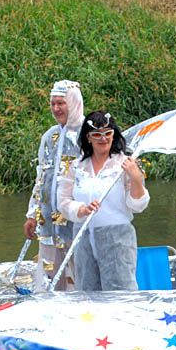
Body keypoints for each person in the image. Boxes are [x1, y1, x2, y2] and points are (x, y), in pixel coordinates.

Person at [58, 111, 148, 291]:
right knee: (86, 292)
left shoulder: (125, 164)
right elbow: (63, 201)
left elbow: (137, 205)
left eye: (108, 133)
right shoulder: (77, 166)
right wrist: (81, 210)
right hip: (83, 237)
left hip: (117, 239)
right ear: (88, 137)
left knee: (120, 292)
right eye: (97, 135)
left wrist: (136, 178)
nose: (103, 139)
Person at [23, 80, 84, 291]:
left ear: (74, 103)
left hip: (77, 219)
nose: (56, 108)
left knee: (79, 272)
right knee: (50, 272)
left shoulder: (89, 134)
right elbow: (41, 177)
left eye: (61, 103)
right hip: (49, 220)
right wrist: (32, 214)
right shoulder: (49, 137)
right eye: (53, 103)